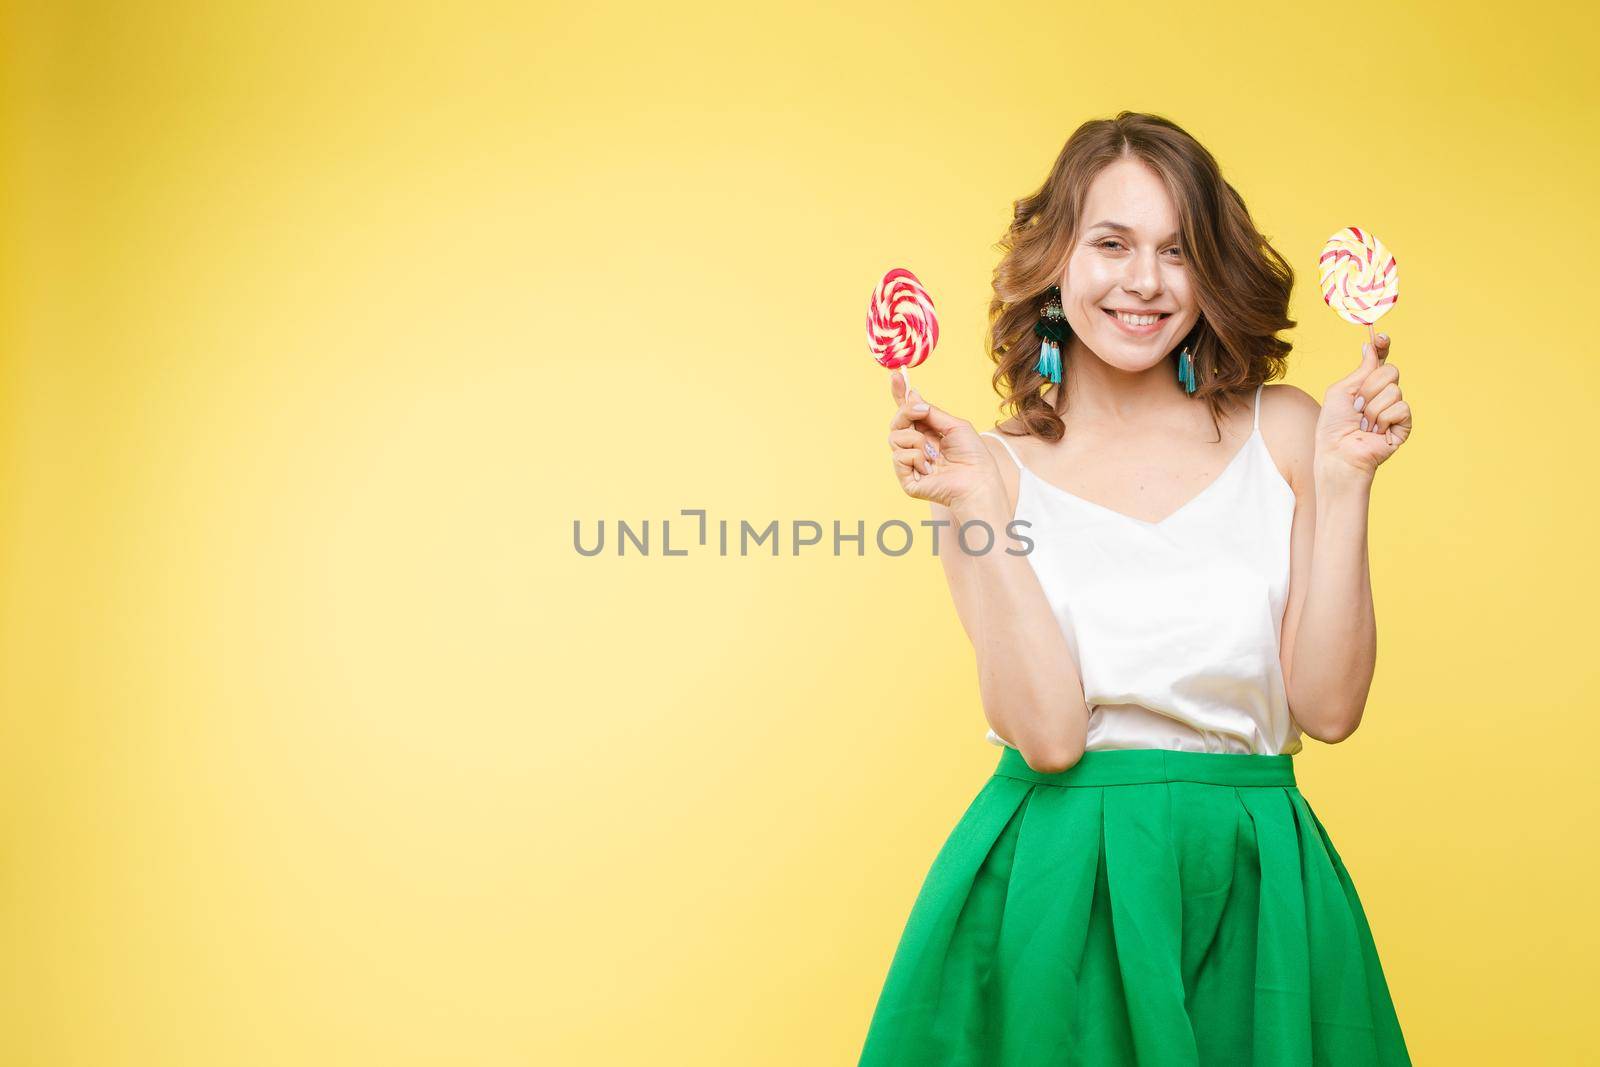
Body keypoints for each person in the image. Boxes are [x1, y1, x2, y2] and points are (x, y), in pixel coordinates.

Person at [857, 111, 1414, 1066]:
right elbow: (1050, 737)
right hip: (1059, 883)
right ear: (1055, 263)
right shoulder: (984, 470)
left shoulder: (1286, 431)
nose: (1144, 282)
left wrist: (1346, 479)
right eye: (1111, 243)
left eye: (1177, 250)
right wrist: (978, 501)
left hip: (1256, 876)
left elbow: (1328, 705)